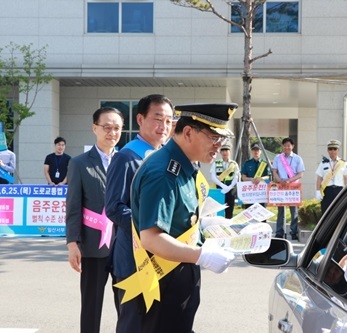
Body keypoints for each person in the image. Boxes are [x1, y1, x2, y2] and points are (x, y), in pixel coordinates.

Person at [130, 103, 237, 332]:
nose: (218, 146)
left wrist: (206, 226)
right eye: (213, 137)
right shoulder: (163, 173)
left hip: (178, 277)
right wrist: (202, 255)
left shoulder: (185, 166)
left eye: (222, 139)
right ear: (188, 132)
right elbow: (151, 238)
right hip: (162, 282)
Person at [105, 94, 174, 333]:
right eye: (157, 119)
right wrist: (149, 226)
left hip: (162, 258)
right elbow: (114, 206)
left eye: (168, 121)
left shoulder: (167, 158)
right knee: (133, 323)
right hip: (132, 261)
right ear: (140, 119)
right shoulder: (127, 157)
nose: (163, 127)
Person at [65, 106, 123, 333]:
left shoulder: (127, 160)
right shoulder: (80, 163)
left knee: (127, 306)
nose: (112, 132)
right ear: (95, 128)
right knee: (91, 305)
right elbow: (73, 206)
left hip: (123, 247)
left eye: (117, 128)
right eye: (107, 127)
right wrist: (73, 244)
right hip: (92, 247)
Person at [272, 137, 304, 240]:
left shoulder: (297, 158)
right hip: (281, 185)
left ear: (292, 146)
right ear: (282, 146)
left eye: (289, 145)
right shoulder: (278, 157)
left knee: (293, 211)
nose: (287, 147)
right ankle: (279, 232)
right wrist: (280, 180)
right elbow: (274, 171)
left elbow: (300, 174)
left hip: (293, 186)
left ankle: (293, 232)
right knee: (280, 210)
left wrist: (289, 181)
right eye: (285, 145)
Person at [315, 139, 347, 214]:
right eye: (330, 149)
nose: (333, 151)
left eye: (335, 149)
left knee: (339, 213)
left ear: (338, 150)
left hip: (339, 190)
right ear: (328, 150)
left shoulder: (343, 163)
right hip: (327, 191)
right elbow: (319, 178)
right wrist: (318, 191)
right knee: (326, 213)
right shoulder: (323, 163)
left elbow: (346, 178)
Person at [210, 143, 240, 218]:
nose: (224, 152)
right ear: (220, 152)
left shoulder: (233, 164)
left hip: (230, 190)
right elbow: (213, 176)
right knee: (218, 210)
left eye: (226, 150)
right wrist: (222, 186)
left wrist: (229, 187)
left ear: (230, 152)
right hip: (219, 189)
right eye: (223, 150)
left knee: (229, 211)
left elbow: (236, 177)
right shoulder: (216, 163)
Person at [241, 142, 270, 210]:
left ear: (261, 151)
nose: (256, 152)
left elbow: (268, 176)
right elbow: (243, 177)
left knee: (262, 213)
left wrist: (261, 178)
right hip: (250, 193)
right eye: (254, 150)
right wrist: (251, 179)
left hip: (261, 193)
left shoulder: (265, 163)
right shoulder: (247, 163)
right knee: (249, 213)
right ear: (251, 151)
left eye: (257, 150)